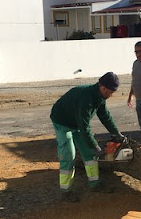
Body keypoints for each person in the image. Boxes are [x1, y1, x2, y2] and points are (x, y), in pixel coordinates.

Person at [50, 72, 124, 201]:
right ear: (103, 87)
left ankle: (95, 183)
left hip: (76, 122)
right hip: (62, 121)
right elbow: (84, 127)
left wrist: (116, 133)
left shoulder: (100, 97)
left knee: (89, 153)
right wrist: (96, 146)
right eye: (110, 92)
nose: (111, 95)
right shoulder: (86, 98)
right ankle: (66, 192)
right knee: (69, 155)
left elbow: (105, 116)